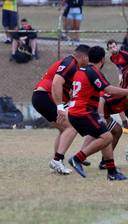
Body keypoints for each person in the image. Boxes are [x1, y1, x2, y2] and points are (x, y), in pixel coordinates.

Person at [67, 46, 128, 180]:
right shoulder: (93, 71)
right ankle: (77, 158)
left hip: (78, 111)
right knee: (107, 137)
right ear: (103, 59)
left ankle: (111, 171)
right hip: (83, 112)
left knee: (108, 135)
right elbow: (109, 90)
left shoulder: (81, 70)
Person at [32, 44, 90, 175]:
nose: (89, 62)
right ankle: (57, 160)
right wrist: (60, 107)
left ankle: (56, 161)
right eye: (89, 58)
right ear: (83, 57)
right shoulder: (70, 63)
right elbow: (56, 83)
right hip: (44, 96)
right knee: (72, 127)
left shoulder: (73, 65)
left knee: (64, 128)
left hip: (41, 97)